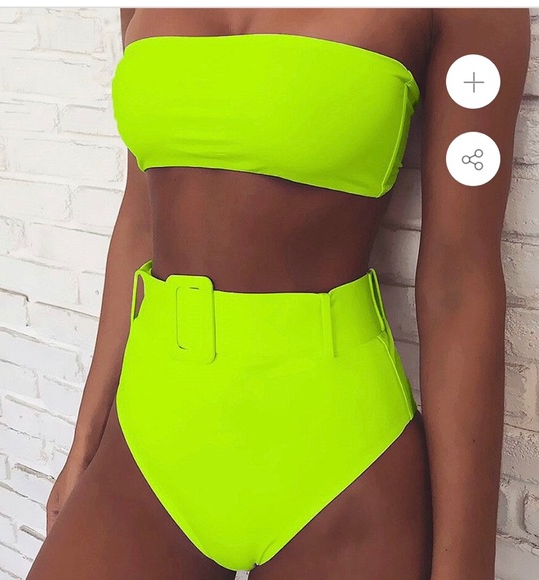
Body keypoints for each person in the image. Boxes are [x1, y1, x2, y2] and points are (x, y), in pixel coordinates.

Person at [26, 8, 530, 580]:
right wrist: (84, 443)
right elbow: (142, 220)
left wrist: (465, 568)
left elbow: (458, 281)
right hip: (150, 433)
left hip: (338, 459)